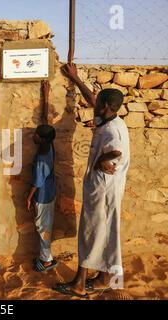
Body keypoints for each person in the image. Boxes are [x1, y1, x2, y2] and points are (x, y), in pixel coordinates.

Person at [53, 63, 130, 298]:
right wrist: (75, 79)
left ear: (105, 106)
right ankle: (105, 278)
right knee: (106, 231)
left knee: (90, 231)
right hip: (109, 188)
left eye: (98, 104)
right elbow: (92, 100)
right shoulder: (111, 121)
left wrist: (100, 162)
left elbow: (115, 153)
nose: (94, 104)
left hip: (103, 188)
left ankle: (78, 283)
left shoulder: (111, 131)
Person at [26, 123, 58, 272]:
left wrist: (29, 197)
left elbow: (37, 182)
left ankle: (46, 261)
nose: (34, 136)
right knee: (45, 225)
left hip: (43, 195)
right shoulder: (49, 147)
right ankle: (45, 256)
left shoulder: (42, 158)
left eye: (37, 135)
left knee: (42, 226)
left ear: (43, 139)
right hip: (49, 192)